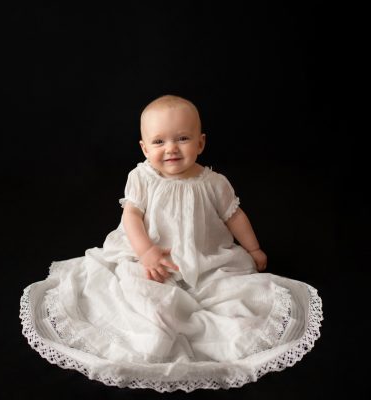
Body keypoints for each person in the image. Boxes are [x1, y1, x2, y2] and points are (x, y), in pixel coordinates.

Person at [20, 95, 323, 392]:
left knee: (236, 302)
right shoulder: (143, 178)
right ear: (143, 147)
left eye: (182, 138)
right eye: (159, 142)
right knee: (141, 295)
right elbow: (132, 218)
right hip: (149, 258)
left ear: (200, 143)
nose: (171, 149)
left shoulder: (215, 184)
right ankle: (152, 337)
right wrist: (147, 251)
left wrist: (253, 248)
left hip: (205, 259)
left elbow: (235, 217)